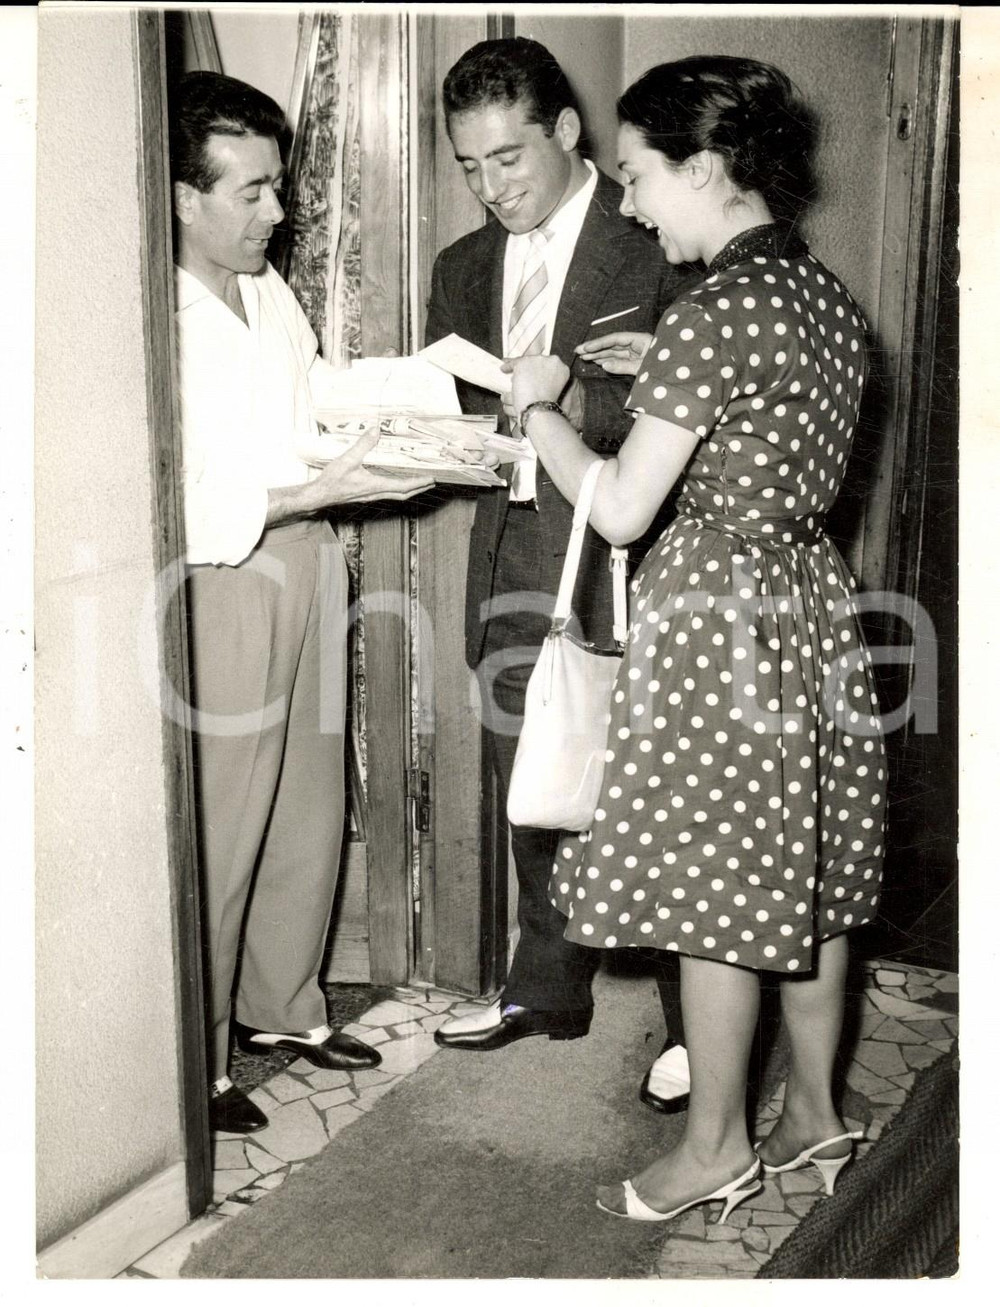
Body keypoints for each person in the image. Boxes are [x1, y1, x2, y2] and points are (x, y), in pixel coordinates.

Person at [506, 55, 886, 1222]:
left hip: (718, 614)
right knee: (805, 865)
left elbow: (618, 503)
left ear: (706, 169)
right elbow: (753, 417)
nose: (627, 203)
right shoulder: (821, 295)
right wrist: (658, 371)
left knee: (717, 884)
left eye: (637, 177)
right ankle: (816, 1114)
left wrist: (537, 407)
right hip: (809, 603)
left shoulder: (715, 309)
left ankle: (716, 1141)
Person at [426, 37, 692, 1111]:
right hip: (512, 555)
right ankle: (547, 982)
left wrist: (565, 398)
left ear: (568, 134)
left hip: (633, 559)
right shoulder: (458, 269)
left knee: (650, 798)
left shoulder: (658, 252)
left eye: (508, 161)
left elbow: (689, 416)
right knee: (528, 784)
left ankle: (689, 1023)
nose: (491, 190)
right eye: (470, 168)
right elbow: (460, 429)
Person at [170, 71, 434, 1135]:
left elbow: (314, 391)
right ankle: (191, 1054)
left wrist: (422, 407)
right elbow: (169, 482)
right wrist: (299, 491)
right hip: (229, 567)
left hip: (315, 551)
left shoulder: (267, 290)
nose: (277, 214)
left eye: (278, 189)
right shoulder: (151, 314)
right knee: (224, 816)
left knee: (305, 798)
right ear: (184, 197)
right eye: (252, 192)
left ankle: (281, 1004)